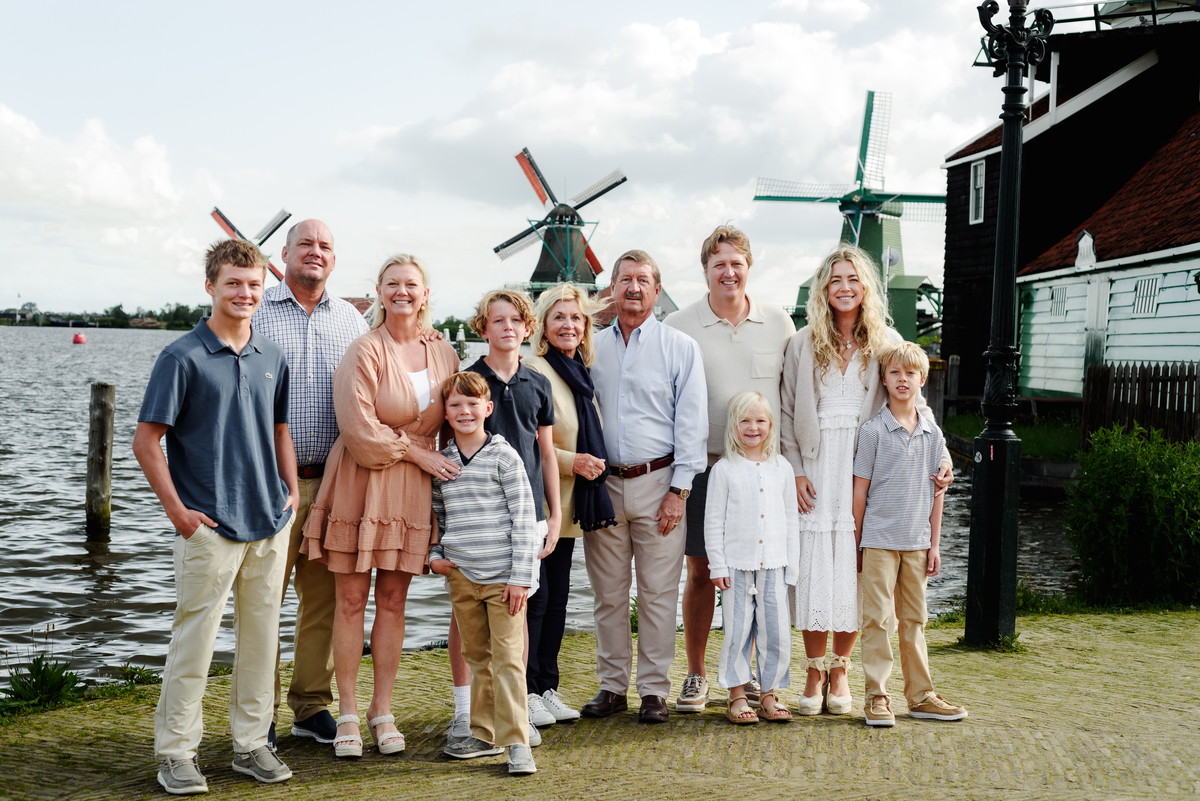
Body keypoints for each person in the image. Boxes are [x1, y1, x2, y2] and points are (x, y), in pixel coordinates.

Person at [133, 238, 297, 794]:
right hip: (208, 526)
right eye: (233, 283)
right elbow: (146, 441)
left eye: (254, 285)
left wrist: (292, 492)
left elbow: (280, 429)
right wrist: (177, 512)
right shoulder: (181, 356)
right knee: (195, 642)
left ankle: (251, 746)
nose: (244, 293)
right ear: (210, 286)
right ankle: (176, 753)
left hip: (270, 521)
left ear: (263, 289)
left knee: (262, 643)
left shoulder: (272, 355)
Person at [780, 244, 952, 716]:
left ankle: (841, 669)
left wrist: (942, 454)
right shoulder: (802, 342)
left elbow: (914, 400)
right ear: (823, 288)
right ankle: (814, 669)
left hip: (867, 469)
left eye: (853, 279)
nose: (844, 287)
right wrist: (795, 470)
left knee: (858, 569)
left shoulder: (884, 340)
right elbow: (787, 410)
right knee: (817, 568)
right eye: (835, 279)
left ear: (865, 287)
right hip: (816, 467)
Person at [300, 254, 460, 758]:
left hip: (413, 490)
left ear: (425, 293)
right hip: (361, 479)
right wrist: (416, 451)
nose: (402, 292)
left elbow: (459, 416)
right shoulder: (364, 349)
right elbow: (357, 427)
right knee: (350, 600)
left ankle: (382, 710)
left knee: (393, 600)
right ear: (379, 291)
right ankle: (347, 711)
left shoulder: (444, 352)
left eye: (411, 284)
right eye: (392, 284)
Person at [663, 224, 794, 713]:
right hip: (704, 467)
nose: (729, 272)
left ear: (748, 267)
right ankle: (697, 674)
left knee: (758, 575)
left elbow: (790, 396)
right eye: (719, 264)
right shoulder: (679, 324)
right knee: (702, 571)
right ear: (706, 270)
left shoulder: (778, 322)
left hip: (761, 471)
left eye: (736, 263)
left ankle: (751, 676)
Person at [251, 219, 368, 747]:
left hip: (333, 481)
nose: (315, 252)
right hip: (269, 484)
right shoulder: (257, 311)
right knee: (262, 602)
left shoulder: (351, 320)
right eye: (305, 244)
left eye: (324, 246)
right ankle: (259, 713)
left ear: (334, 259)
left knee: (323, 600)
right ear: (284, 253)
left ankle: (311, 705)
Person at [581, 249, 707, 724]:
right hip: (603, 484)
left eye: (643, 280)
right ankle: (612, 686)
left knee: (658, 593)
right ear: (612, 289)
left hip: (660, 484)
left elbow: (691, 423)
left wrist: (679, 491)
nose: (633, 288)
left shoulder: (680, 347)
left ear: (656, 290)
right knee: (608, 593)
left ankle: (654, 690)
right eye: (625, 279)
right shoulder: (591, 348)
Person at [450, 289, 561, 740]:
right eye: (498, 320)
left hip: (527, 514)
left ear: (528, 327)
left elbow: (546, 453)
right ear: (483, 328)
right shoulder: (468, 382)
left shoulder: (538, 384)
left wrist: (555, 515)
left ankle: (517, 706)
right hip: (478, 516)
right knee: (467, 613)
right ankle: (465, 708)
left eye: (516, 320)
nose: (508, 327)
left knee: (519, 609)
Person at [852, 341, 968, 727]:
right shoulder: (872, 432)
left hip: (917, 544)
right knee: (877, 620)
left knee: (915, 620)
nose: (903, 379)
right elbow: (859, 493)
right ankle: (876, 696)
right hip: (879, 542)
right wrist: (856, 544)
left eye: (910, 373)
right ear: (884, 380)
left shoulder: (933, 435)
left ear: (923, 380)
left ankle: (921, 696)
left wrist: (934, 545)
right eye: (895, 373)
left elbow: (938, 493)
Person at [430, 371, 539, 775]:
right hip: (462, 575)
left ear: (487, 408)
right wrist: (435, 556)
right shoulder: (443, 464)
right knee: (477, 657)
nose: (465, 411)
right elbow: (439, 517)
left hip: (504, 579)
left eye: (472, 404)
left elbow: (524, 519)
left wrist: (521, 577)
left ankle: (518, 742)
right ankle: (484, 732)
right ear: (445, 413)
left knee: (508, 659)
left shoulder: (503, 457)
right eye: (455, 405)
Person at [523, 284, 616, 722]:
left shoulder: (580, 372)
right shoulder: (534, 368)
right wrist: (572, 461)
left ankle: (547, 686)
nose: (568, 325)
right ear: (543, 325)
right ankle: (525, 690)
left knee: (557, 599)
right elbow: (522, 439)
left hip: (569, 505)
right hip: (539, 504)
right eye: (559, 317)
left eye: (576, 318)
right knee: (536, 599)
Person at [705, 391, 799, 725]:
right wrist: (717, 564)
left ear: (770, 425)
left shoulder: (782, 468)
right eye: (744, 420)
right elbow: (713, 521)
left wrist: (792, 568)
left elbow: (791, 520)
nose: (752, 427)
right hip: (736, 566)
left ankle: (769, 695)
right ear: (733, 425)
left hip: (775, 564)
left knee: (776, 633)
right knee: (738, 632)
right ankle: (737, 694)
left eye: (760, 420)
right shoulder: (724, 469)